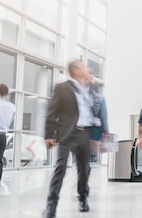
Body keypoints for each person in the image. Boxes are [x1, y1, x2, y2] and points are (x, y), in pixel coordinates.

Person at [42, 60, 96, 218]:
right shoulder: (62, 88)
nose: (86, 68)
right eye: (83, 66)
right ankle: (51, 206)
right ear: (77, 71)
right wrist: (49, 134)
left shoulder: (89, 88)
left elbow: (94, 111)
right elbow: (52, 111)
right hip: (68, 134)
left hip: (85, 133)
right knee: (61, 169)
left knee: (84, 169)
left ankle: (83, 198)